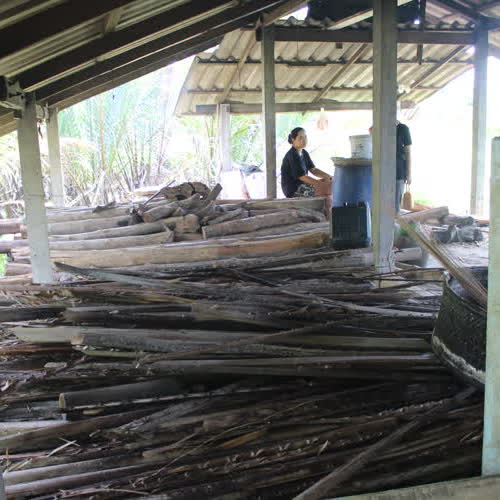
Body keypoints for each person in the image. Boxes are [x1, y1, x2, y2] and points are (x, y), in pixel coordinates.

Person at [369, 122, 412, 213]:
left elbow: (408, 152)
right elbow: (372, 143)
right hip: (382, 171)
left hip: (399, 172)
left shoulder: (403, 128)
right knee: (382, 203)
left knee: (395, 205)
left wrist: (409, 174)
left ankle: (394, 220)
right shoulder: (381, 127)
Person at [280, 127, 332, 198]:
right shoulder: (292, 155)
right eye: (301, 137)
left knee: (329, 182)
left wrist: (329, 177)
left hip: (303, 185)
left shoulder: (304, 152)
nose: (304, 140)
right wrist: (320, 184)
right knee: (327, 188)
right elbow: (302, 177)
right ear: (293, 139)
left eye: (305, 137)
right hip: (293, 189)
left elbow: (313, 170)